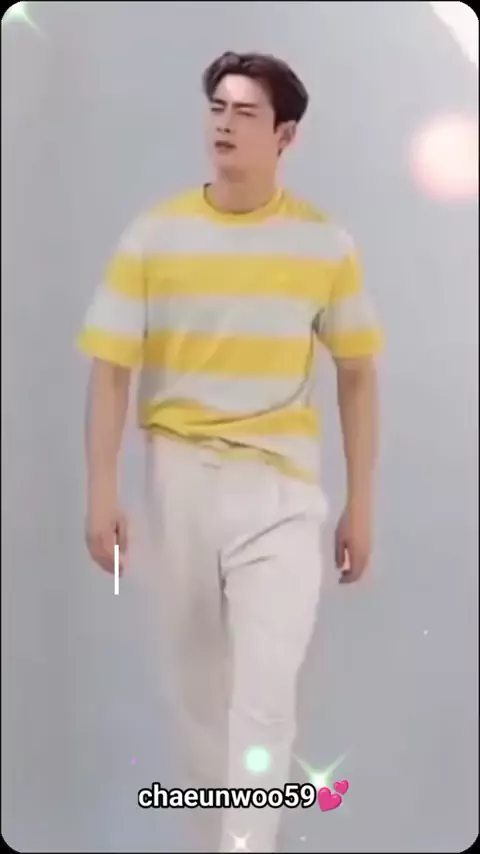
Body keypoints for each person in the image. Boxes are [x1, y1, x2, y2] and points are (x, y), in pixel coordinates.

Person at [77, 51, 383, 853]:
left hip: (282, 493)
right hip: (178, 480)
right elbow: (111, 371)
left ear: (285, 136)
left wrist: (362, 503)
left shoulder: (324, 245)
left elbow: (358, 374)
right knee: (198, 699)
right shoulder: (155, 236)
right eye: (218, 106)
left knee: (265, 697)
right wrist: (101, 491)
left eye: (246, 112)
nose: (224, 122)